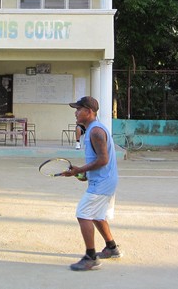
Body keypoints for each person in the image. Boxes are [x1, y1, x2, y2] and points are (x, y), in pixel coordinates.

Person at [63, 96, 121, 271]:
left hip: (103, 182)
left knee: (83, 214)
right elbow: (99, 160)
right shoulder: (92, 130)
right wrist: (84, 173)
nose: (76, 112)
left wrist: (79, 170)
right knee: (97, 215)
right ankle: (112, 248)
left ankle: (91, 257)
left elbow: (103, 160)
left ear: (88, 112)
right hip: (104, 180)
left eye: (79, 109)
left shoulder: (95, 131)